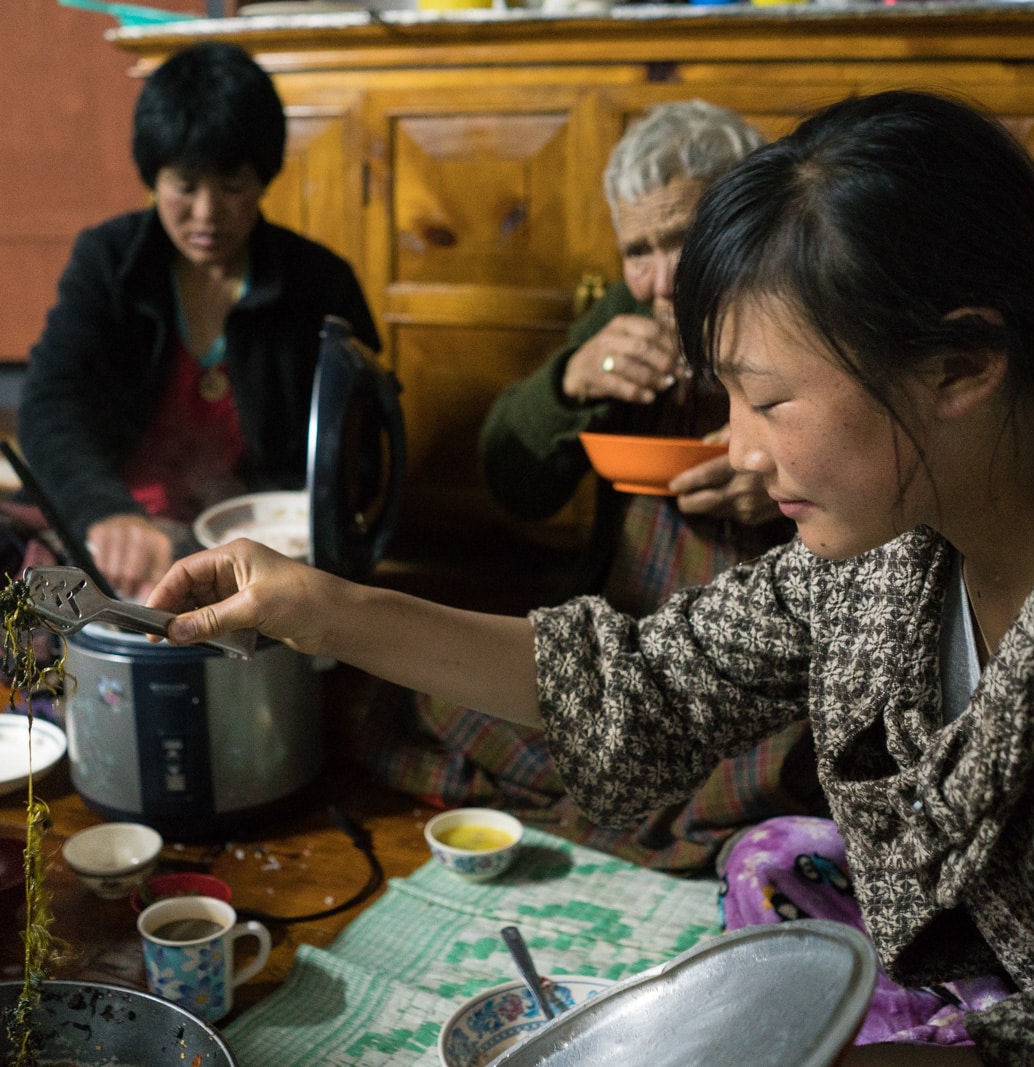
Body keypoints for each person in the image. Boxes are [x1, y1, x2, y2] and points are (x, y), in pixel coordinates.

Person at [146, 88, 1034, 1063]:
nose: (741, 448)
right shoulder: (899, 544)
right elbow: (641, 677)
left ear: (961, 364)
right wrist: (316, 603)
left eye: (765, 401)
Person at [347, 100, 817, 874]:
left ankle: (646, 813)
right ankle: (665, 816)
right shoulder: (628, 312)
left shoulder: (804, 308)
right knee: (413, 698)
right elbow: (513, 482)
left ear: (750, 219)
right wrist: (569, 381)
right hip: (628, 654)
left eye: (685, 237)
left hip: (760, 682)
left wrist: (777, 484)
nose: (663, 279)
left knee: (793, 767)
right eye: (640, 249)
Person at [0, 42, 379, 677]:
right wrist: (104, 511)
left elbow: (359, 439)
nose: (206, 214)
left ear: (264, 179)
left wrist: (310, 535)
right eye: (185, 185)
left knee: (88, 600)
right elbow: (50, 404)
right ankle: (69, 627)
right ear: (153, 178)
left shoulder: (318, 282)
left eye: (232, 186)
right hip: (117, 538)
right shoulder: (109, 261)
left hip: (248, 553)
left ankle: (27, 632)